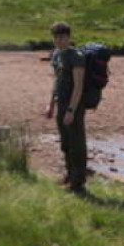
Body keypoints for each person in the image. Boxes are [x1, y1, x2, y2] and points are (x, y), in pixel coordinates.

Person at [45, 21, 87, 195]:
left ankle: (78, 183)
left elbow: (78, 86)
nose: (59, 40)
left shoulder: (76, 56)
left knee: (76, 143)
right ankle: (69, 176)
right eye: (56, 37)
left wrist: (71, 110)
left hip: (74, 105)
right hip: (60, 103)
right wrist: (50, 104)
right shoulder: (55, 54)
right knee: (65, 142)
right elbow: (56, 81)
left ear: (69, 37)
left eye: (62, 37)